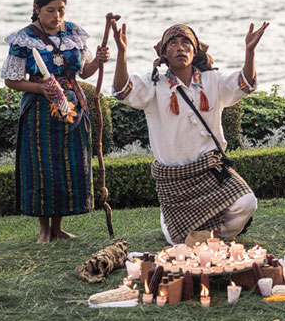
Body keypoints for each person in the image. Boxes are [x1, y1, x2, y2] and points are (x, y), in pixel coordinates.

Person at [110, 19, 268, 245]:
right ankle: (177, 224)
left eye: (186, 43)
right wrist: (122, 52)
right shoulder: (154, 85)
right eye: (173, 44)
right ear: (164, 54)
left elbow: (244, 84)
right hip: (175, 181)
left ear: (195, 52)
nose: (180, 48)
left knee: (247, 203)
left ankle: (208, 236)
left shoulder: (212, 80)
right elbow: (124, 90)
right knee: (179, 242)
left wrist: (249, 51)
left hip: (211, 172)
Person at [1, 0, 110, 243]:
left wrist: (99, 60)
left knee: (67, 166)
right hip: (39, 112)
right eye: (51, 11)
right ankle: (44, 230)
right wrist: (41, 88)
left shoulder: (74, 33)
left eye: (61, 10)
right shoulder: (24, 38)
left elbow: (84, 72)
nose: (57, 16)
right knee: (41, 167)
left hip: (73, 110)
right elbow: (11, 80)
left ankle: (58, 227)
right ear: (37, 9)